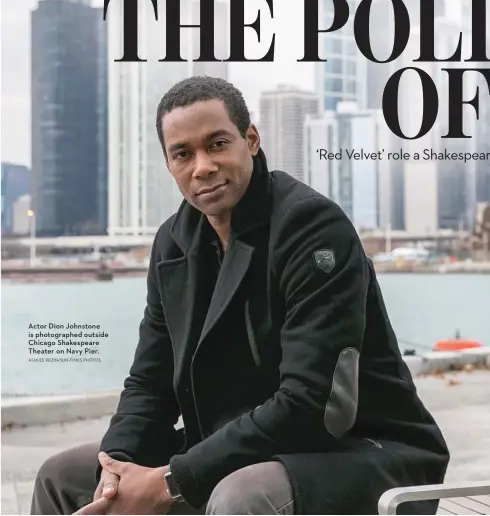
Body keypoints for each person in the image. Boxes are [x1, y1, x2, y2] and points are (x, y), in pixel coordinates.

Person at [30, 76, 450, 515]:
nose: (202, 166)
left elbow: (315, 407)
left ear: (250, 139)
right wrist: (115, 468)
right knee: (64, 477)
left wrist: (172, 480)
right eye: (183, 154)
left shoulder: (311, 227)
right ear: (169, 163)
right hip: (235, 447)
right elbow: (149, 384)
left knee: (242, 495)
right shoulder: (173, 244)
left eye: (216, 144)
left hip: (362, 451)